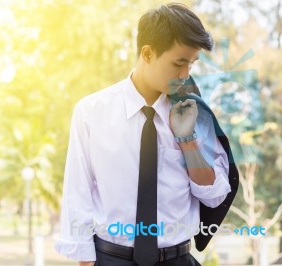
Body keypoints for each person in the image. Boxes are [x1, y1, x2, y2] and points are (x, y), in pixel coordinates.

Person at [55, 3, 238, 265]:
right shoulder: (91, 112)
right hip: (111, 259)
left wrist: (187, 140)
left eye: (192, 64)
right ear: (148, 53)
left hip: (177, 259)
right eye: (179, 62)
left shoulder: (196, 112)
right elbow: (78, 194)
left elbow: (215, 195)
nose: (185, 74)